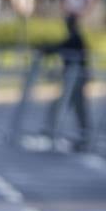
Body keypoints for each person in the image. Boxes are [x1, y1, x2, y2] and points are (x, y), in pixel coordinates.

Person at [41, 12, 90, 144]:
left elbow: (62, 47)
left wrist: (47, 49)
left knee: (68, 104)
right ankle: (83, 131)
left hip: (76, 77)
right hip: (73, 76)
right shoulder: (74, 38)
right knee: (72, 104)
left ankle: (81, 132)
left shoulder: (75, 38)